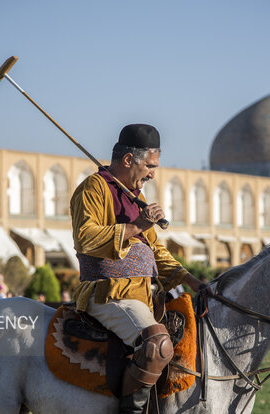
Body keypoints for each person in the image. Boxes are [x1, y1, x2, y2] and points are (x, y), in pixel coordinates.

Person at [70, 124, 202, 413]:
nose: (153, 173)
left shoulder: (134, 198)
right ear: (129, 160)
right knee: (157, 345)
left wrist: (194, 282)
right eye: (150, 166)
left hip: (142, 297)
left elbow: (156, 253)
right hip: (107, 294)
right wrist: (138, 225)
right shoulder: (93, 188)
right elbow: (85, 238)